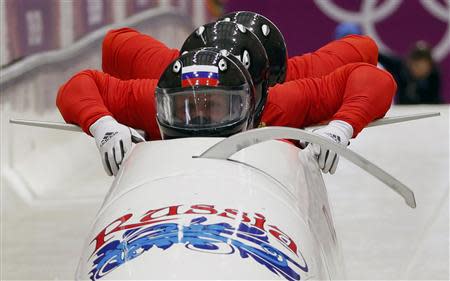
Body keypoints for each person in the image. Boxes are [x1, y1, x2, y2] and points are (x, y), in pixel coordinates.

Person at [57, 19, 395, 177]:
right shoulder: (161, 90)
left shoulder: (282, 98)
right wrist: (102, 124)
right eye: (188, 106)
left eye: (217, 104)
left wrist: (341, 127)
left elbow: (369, 66)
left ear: (253, 98)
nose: (200, 114)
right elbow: (107, 52)